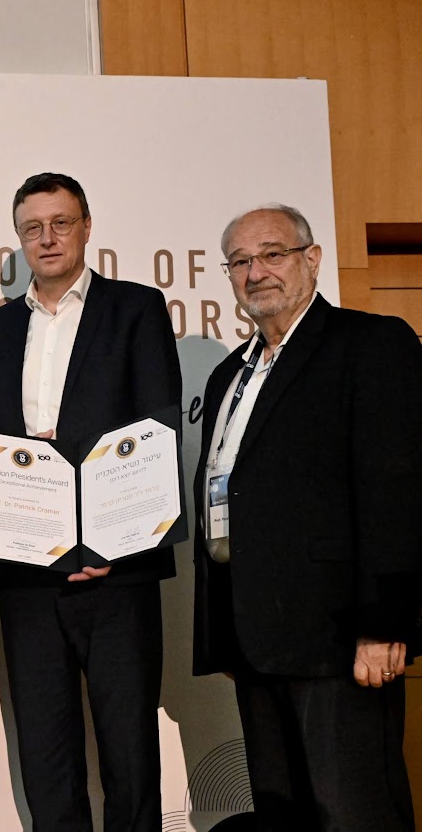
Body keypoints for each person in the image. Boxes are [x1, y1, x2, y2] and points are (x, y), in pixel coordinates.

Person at [0, 173, 181, 831]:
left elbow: (157, 429)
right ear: (19, 238)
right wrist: (20, 457)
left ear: (85, 227)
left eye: (60, 223)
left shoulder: (135, 308)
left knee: (129, 753)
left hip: (118, 570)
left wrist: (115, 541)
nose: (47, 238)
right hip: (28, 570)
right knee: (46, 757)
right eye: (33, 227)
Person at [193, 204, 422, 830]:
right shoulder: (227, 376)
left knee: (354, 813)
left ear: (312, 259)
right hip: (254, 638)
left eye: (272, 254)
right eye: (240, 261)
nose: (256, 272)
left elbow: (397, 493)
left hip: (338, 639)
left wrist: (383, 625)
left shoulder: (370, 345)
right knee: (283, 817)